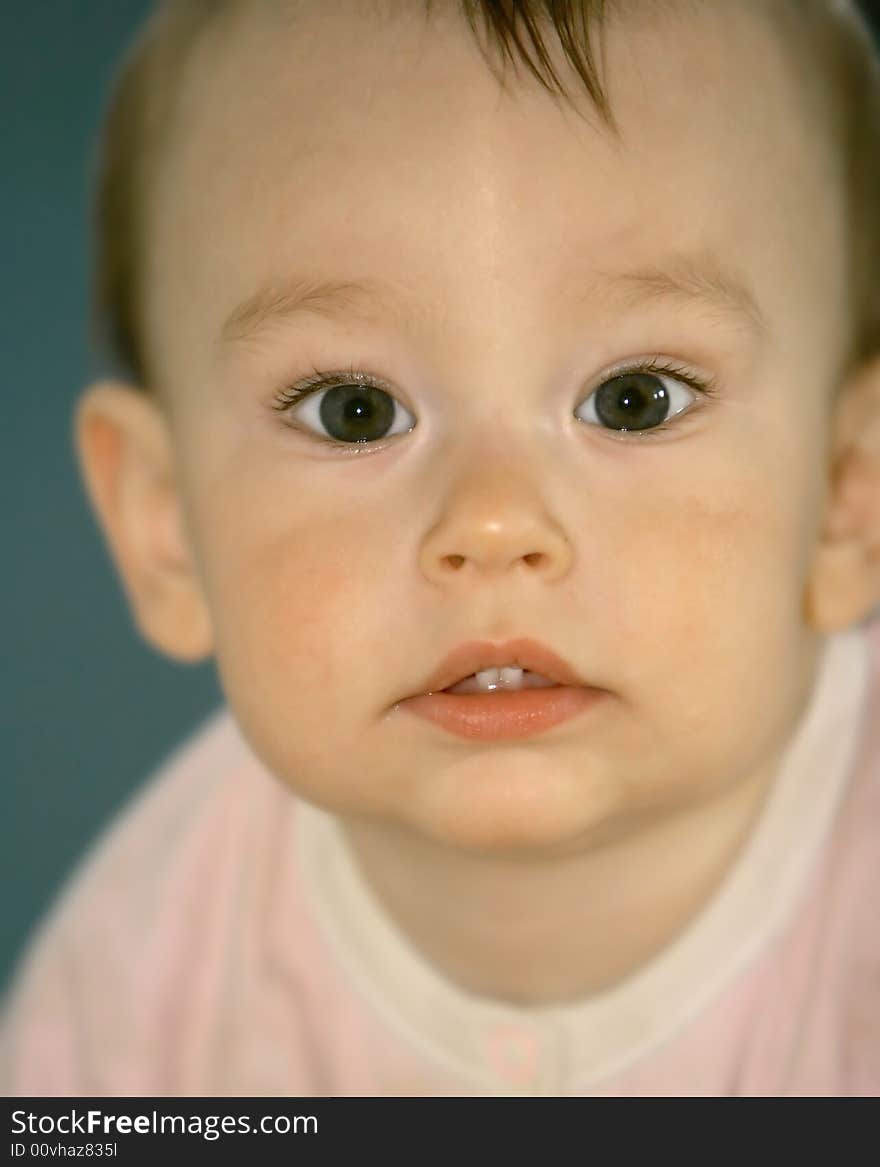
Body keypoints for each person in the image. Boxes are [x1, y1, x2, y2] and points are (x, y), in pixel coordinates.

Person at [2, 0, 879, 1097]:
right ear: (165, 527)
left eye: (634, 399)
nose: (494, 523)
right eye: (352, 411)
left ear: (846, 492)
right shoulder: (139, 988)